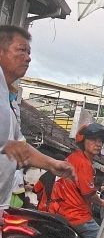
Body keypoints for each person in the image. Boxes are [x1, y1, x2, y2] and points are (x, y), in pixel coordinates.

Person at [0, 25, 75, 217]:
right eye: (21, 50)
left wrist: (51, 164)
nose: (28, 57)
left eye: (29, 52)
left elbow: (20, 147)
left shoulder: (10, 100)